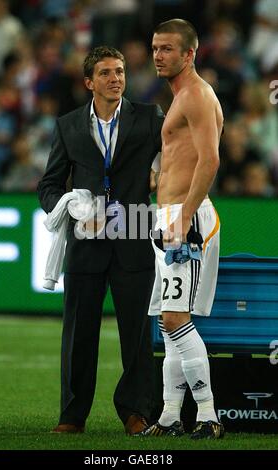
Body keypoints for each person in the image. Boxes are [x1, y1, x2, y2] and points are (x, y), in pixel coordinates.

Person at [37, 46, 164, 435]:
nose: (116, 79)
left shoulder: (148, 118)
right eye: (106, 73)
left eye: (121, 71)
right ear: (89, 82)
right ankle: (72, 416)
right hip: (86, 244)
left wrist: (161, 174)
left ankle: (137, 412)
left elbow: (176, 158)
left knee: (138, 336)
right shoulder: (69, 126)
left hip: (133, 239)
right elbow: (48, 186)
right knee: (78, 333)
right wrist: (70, 207)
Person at [138, 19, 224, 439]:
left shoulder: (196, 95)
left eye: (168, 49)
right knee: (166, 323)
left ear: (190, 53)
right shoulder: (178, 97)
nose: (158, 55)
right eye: (155, 47)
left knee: (175, 317)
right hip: (168, 215)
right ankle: (171, 416)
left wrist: (184, 216)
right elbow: (181, 156)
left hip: (184, 217)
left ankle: (208, 415)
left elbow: (210, 160)